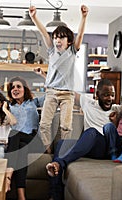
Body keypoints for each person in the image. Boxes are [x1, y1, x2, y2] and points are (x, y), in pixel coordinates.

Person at [46, 79, 122, 200]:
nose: (110, 99)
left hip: (105, 148)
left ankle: (60, 163)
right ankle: (56, 194)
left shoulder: (119, 109)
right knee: (62, 144)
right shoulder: (87, 103)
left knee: (92, 132)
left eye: (112, 95)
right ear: (97, 95)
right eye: (106, 95)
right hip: (88, 145)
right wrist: (47, 77)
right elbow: (66, 91)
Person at [29, 5, 89, 153]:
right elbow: (43, 32)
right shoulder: (51, 51)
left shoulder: (72, 51)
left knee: (66, 126)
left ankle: (63, 151)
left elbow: (80, 35)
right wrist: (34, 17)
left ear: (68, 41)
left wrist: (84, 17)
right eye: (56, 37)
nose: (57, 40)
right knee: (44, 125)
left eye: (61, 37)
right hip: (51, 93)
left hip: (67, 95)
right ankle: (48, 151)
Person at [5, 76, 40, 200]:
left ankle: (8, 176)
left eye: (18, 86)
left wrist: (44, 75)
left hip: (34, 139)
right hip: (20, 143)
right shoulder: (10, 106)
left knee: (15, 133)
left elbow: (52, 94)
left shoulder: (34, 102)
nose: (15, 89)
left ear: (25, 89)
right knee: (21, 148)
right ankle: (21, 196)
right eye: (12, 87)